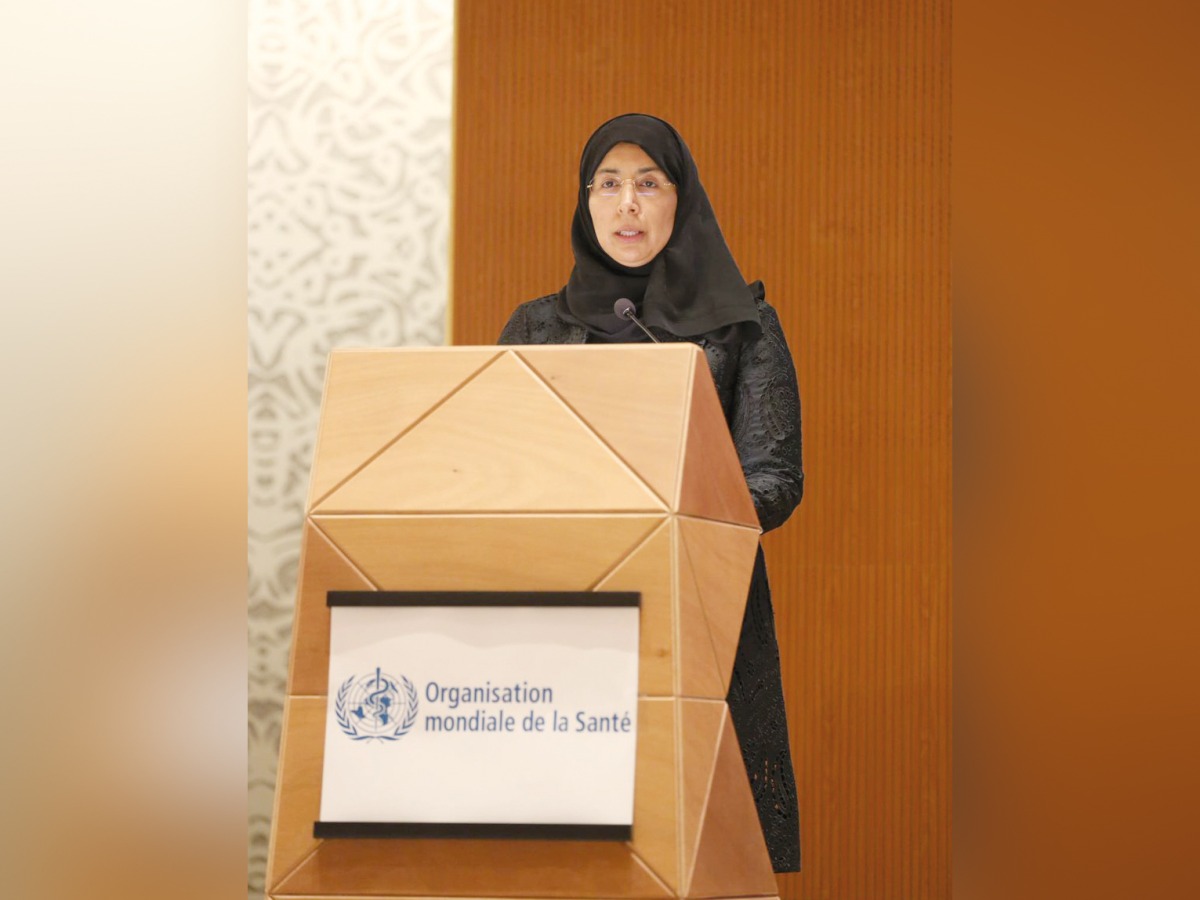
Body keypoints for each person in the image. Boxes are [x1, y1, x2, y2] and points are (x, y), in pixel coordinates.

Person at [498, 113, 803, 872]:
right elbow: (498, 464)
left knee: (693, 845)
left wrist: (675, 517)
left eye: (648, 183)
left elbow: (775, 477)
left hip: (694, 607)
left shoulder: (740, 326)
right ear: (585, 202)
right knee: (565, 847)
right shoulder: (536, 327)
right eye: (607, 184)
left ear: (681, 199)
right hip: (561, 613)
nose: (626, 203)